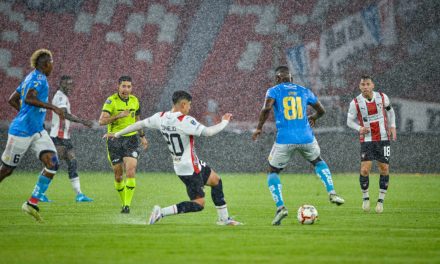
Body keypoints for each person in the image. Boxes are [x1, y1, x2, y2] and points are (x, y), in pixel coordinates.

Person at [105, 90, 241, 226]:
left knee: (216, 181)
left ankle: (224, 219)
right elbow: (209, 132)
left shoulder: (161, 117)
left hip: (187, 164)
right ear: (182, 104)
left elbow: (139, 124)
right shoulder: (185, 120)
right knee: (199, 204)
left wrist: (117, 134)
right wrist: (224, 122)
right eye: (189, 105)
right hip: (189, 168)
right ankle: (161, 212)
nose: (189, 108)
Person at [252, 66, 345, 226]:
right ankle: (332, 192)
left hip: (285, 138)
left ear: (277, 79)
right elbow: (322, 110)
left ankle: (281, 207)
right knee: (318, 161)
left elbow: (266, 108)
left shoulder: (273, 90)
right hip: (306, 137)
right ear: (292, 78)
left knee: (273, 171)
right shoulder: (304, 90)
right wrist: (314, 117)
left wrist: (259, 127)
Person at [0, 48, 64, 222]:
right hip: (21, 131)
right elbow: (28, 98)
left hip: (37, 130)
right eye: (52, 62)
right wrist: (53, 107)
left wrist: (29, 114)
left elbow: (12, 99)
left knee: (53, 163)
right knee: (6, 171)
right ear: (46, 63)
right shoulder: (38, 79)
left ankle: (31, 203)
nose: (53, 66)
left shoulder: (30, 77)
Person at [346, 75, 396, 213]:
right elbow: (349, 121)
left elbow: (390, 111)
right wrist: (359, 128)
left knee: (384, 169)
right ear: (359, 86)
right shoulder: (355, 102)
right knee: (365, 170)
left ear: (372, 85)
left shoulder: (382, 97)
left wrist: (392, 126)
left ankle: (380, 201)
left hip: (383, 137)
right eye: (363, 84)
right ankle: (366, 198)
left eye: (368, 84)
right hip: (367, 139)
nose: (365, 87)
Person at [98, 76, 148, 214]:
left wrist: (142, 136)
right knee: (118, 175)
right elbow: (101, 121)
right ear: (118, 87)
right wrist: (118, 116)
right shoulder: (111, 101)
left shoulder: (135, 100)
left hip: (131, 139)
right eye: (123, 86)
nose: (126, 89)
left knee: (131, 170)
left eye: (129, 86)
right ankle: (123, 202)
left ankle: (127, 205)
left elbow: (138, 120)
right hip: (114, 140)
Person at [41, 75, 93, 202]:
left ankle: (79, 194)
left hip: (65, 137)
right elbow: (64, 114)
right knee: (53, 165)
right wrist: (82, 121)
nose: (70, 86)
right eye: (67, 84)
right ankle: (39, 192)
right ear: (61, 84)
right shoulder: (60, 97)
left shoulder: (63, 97)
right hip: (58, 138)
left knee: (72, 162)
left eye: (71, 84)